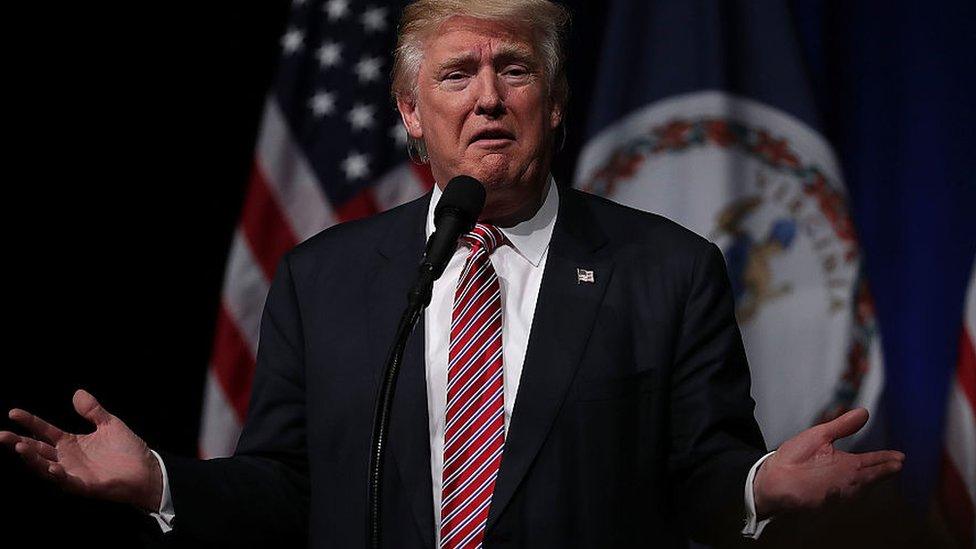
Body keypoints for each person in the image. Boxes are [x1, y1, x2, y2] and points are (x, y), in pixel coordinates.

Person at [0, 1, 905, 547]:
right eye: (456, 74)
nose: (487, 96)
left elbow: (700, 473)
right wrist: (161, 479)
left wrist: (758, 487)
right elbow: (282, 484)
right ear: (409, 112)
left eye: (514, 70)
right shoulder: (324, 279)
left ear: (554, 107)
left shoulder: (665, 270)